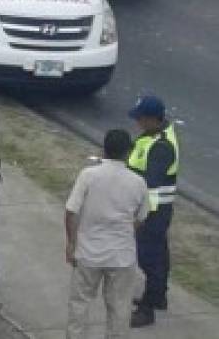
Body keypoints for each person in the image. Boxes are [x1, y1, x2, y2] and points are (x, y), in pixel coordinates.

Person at [64, 129, 149, 339]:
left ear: (103, 150)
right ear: (128, 152)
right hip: (121, 256)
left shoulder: (88, 175)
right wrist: (126, 234)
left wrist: (71, 243)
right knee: (119, 309)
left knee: (79, 305)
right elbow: (141, 218)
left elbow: (70, 212)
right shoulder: (138, 183)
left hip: (88, 253)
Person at [128, 95, 179, 328]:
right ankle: (158, 296)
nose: (137, 123)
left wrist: (124, 177)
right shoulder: (154, 135)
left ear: (152, 119)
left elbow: (150, 181)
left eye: (140, 118)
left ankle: (147, 309)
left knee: (150, 259)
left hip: (152, 211)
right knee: (159, 255)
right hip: (155, 209)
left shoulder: (161, 147)